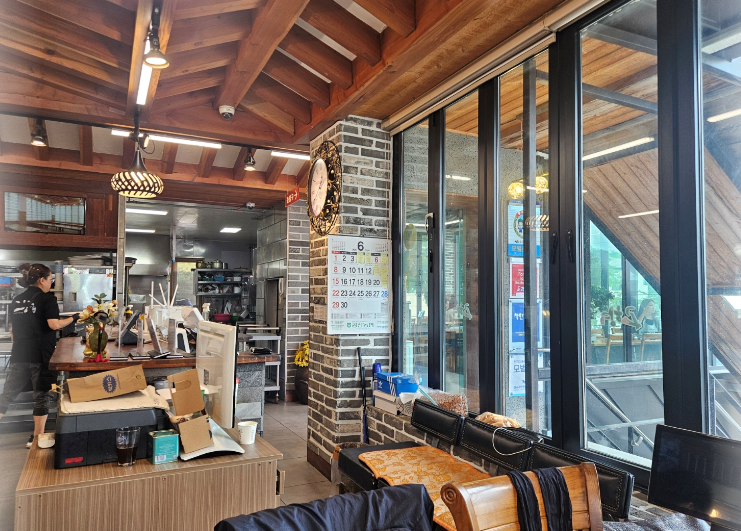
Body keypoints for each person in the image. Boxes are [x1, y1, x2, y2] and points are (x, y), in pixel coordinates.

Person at [0, 264, 78, 448]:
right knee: (42, 396)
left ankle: (36, 437)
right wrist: (74, 318)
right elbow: (54, 325)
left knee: (7, 395)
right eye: (50, 279)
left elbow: (13, 331)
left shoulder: (17, 300)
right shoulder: (47, 299)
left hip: (19, 353)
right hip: (41, 354)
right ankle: (36, 439)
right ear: (42, 280)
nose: (51, 283)